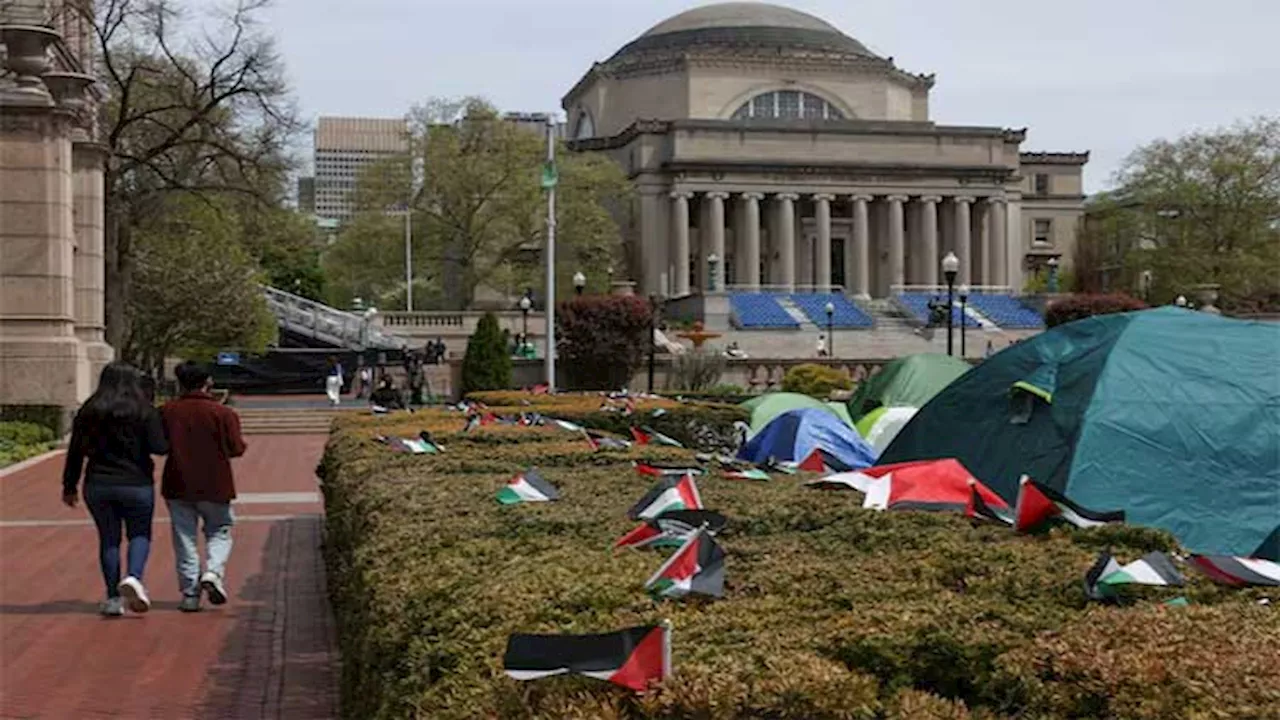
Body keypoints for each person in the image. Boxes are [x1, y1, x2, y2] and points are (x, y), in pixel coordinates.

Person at [62, 362, 168, 616]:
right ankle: (133, 577)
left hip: (98, 482)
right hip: (136, 481)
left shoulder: (89, 410)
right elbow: (160, 447)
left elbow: (75, 451)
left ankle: (112, 598)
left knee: (108, 539)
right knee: (140, 534)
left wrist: (69, 485)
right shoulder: (144, 410)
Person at [160, 361, 247, 612]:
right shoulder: (223, 414)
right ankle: (213, 572)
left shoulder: (167, 411)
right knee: (219, 530)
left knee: (184, 538)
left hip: (178, 482)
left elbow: (160, 445)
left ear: (179, 382)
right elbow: (236, 448)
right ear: (208, 382)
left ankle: (190, 593)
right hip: (216, 482)